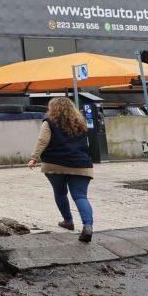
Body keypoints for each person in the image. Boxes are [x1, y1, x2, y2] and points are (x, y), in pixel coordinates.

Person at [27, 98, 94, 242]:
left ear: (53, 109)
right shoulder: (81, 123)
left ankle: (68, 221)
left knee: (60, 192)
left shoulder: (49, 122)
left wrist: (34, 158)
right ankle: (88, 226)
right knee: (81, 196)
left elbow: (43, 141)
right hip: (81, 164)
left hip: (54, 163)